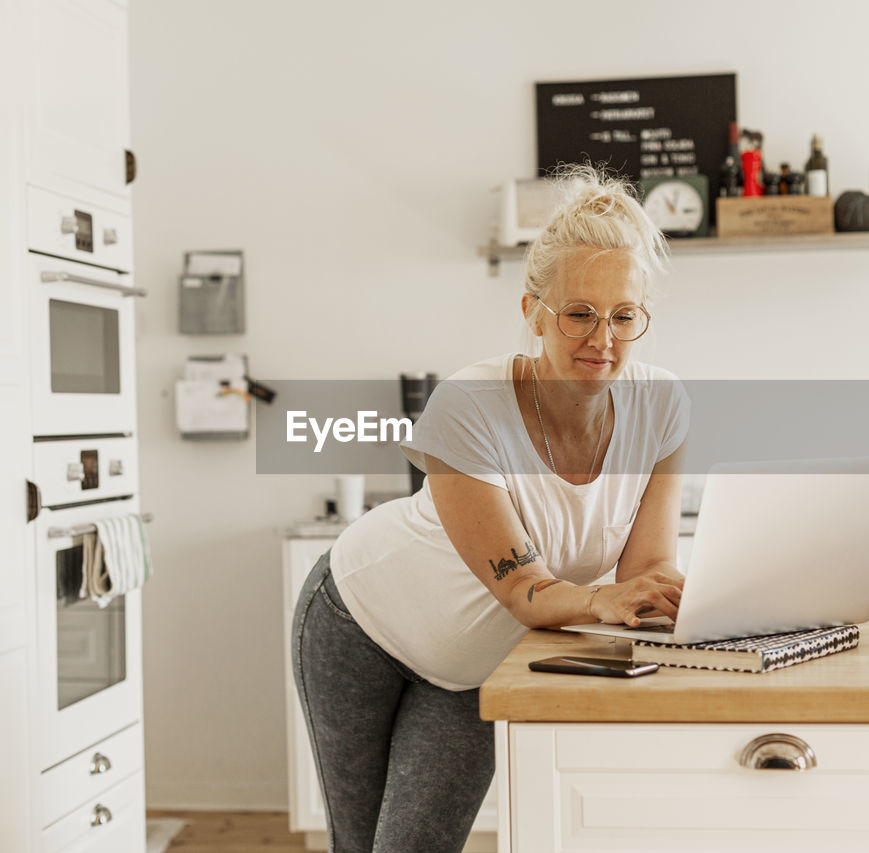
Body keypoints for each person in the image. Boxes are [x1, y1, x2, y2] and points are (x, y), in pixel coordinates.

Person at [290, 165, 689, 853]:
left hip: (477, 664)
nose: (603, 339)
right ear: (533, 310)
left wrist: (678, 601)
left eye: (624, 315)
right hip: (359, 619)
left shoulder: (663, 407)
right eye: (579, 313)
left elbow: (648, 567)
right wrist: (605, 601)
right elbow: (522, 587)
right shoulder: (469, 405)